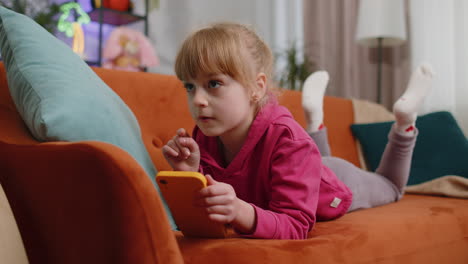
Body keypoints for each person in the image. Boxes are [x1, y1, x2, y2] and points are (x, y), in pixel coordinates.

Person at [162, 22, 433, 239]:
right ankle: (314, 121)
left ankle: (404, 122)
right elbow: (207, 210)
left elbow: (295, 224)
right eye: (189, 86)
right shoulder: (203, 136)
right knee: (305, 150)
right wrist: (189, 173)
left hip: (335, 183)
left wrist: (241, 211)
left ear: (257, 87)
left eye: (213, 84)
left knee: (391, 187)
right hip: (303, 163)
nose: (197, 100)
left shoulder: (288, 141)